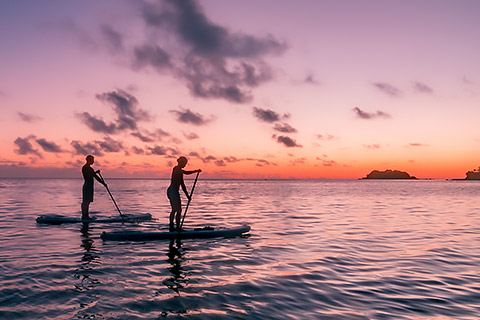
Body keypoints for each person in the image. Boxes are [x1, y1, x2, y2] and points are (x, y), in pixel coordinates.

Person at [167, 156, 201, 231]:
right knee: (176, 209)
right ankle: (174, 227)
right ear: (181, 162)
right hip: (172, 191)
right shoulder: (177, 170)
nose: (185, 165)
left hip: (173, 191)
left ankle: (175, 227)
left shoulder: (178, 171)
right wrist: (195, 171)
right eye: (184, 163)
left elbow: (183, 181)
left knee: (176, 210)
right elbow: (184, 176)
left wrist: (187, 196)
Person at [81, 155, 106, 220]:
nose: (93, 161)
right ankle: (85, 216)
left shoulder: (89, 168)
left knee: (88, 201)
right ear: (88, 160)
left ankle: (86, 216)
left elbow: (93, 175)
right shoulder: (86, 168)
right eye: (92, 160)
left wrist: (103, 183)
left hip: (89, 186)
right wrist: (103, 183)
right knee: (85, 201)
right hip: (87, 186)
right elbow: (93, 176)